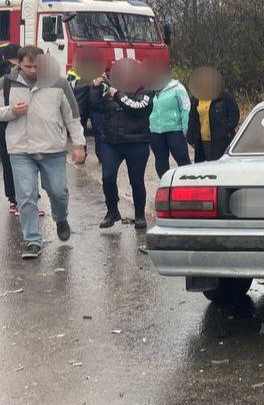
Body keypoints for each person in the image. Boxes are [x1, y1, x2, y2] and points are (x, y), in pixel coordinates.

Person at [0, 46, 86, 259]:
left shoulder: (59, 83)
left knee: (58, 191)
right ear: (19, 63)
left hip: (52, 148)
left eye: (37, 66)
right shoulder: (6, 83)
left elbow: (72, 115)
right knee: (26, 196)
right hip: (20, 149)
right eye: (28, 66)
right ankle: (32, 241)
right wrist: (11, 111)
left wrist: (78, 144)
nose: (33, 70)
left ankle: (61, 218)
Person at [89, 61, 153, 229]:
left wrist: (117, 94)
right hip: (111, 142)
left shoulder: (145, 91)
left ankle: (139, 214)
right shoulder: (111, 88)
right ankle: (112, 212)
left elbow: (137, 108)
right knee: (107, 177)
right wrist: (95, 88)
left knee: (136, 181)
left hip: (137, 141)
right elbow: (95, 106)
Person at [147, 62, 191, 177]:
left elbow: (185, 107)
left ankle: (187, 183)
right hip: (155, 132)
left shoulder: (177, 87)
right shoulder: (150, 89)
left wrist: (185, 127)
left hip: (175, 130)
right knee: (160, 161)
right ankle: (164, 183)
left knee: (182, 159)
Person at [187, 70, 239, 161]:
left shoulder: (225, 96)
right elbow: (192, 119)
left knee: (220, 166)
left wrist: (225, 130)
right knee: (203, 167)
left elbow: (234, 116)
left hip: (221, 141)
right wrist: (190, 137)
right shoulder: (196, 99)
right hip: (202, 142)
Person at [1, 43, 19, 213]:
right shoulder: (15, 74)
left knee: (7, 162)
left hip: (2, 123)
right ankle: (22, 199)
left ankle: (13, 200)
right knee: (21, 160)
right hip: (15, 120)